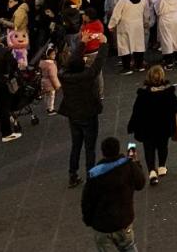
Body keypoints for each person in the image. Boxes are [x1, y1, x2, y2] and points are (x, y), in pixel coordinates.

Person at [80, 136, 146, 252]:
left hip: (102, 225)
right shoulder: (128, 165)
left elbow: (87, 201)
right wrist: (136, 163)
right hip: (124, 220)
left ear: (103, 152)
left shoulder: (95, 174)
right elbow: (140, 184)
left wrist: (88, 220)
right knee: (129, 246)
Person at [126, 65, 177, 186]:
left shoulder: (143, 95)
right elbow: (175, 107)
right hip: (163, 127)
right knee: (163, 146)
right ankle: (162, 166)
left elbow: (136, 112)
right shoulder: (168, 94)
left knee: (149, 148)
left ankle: (151, 170)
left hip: (147, 128)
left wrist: (131, 126)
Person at [59, 52, 107, 187]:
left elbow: (68, 65)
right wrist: (103, 45)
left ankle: (72, 174)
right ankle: (91, 175)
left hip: (73, 114)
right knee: (89, 147)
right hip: (88, 114)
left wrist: (81, 45)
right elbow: (98, 64)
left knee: (76, 145)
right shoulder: (87, 76)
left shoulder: (63, 75)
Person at [109, 0, 150, 75]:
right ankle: (139, 66)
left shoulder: (123, 0)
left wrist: (112, 25)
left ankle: (127, 68)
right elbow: (146, 13)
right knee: (138, 45)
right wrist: (146, 22)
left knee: (125, 46)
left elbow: (116, 14)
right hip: (138, 25)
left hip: (125, 25)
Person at [39, 45, 61, 115]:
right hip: (50, 83)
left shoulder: (41, 63)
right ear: (49, 55)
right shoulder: (52, 65)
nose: (54, 56)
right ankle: (50, 109)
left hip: (43, 81)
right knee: (52, 96)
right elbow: (53, 76)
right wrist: (57, 85)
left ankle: (47, 107)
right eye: (53, 54)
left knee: (47, 95)